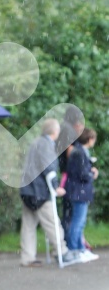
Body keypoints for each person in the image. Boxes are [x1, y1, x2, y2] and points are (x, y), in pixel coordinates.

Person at [20, 118, 79, 267]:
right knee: (53, 224)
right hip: (39, 191)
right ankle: (62, 252)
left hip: (27, 190)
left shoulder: (35, 143)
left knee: (28, 225)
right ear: (55, 131)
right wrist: (55, 187)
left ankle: (27, 257)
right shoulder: (46, 145)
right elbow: (49, 169)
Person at [65, 128, 99, 262]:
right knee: (78, 222)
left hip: (78, 191)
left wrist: (89, 170)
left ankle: (80, 249)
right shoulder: (80, 152)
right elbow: (82, 174)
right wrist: (92, 174)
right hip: (79, 192)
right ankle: (74, 250)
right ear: (90, 139)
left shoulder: (78, 151)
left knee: (79, 222)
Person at [56, 105, 85, 236]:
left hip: (63, 170)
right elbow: (69, 151)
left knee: (67, 209)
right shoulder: (68, 130)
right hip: (68, 174)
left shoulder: (63, 127)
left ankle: (67, 239)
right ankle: (68, 241)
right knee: (70, 211)